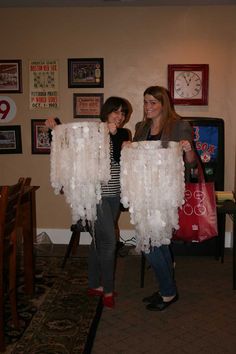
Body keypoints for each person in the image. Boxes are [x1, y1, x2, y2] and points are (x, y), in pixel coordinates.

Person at [45, 96, 132, 309]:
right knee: (109, 242)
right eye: (116, 112)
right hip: (95, 195)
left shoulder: (123, 133)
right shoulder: (92, 130)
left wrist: (122, 143)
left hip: (114, 195)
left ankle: (94, 284)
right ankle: (108, 291)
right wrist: (52, 129)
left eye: (123, 113)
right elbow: (67, 148)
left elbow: (120, 161)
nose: (119, 117)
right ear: (106, 112)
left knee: (98, 240)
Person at [132, 85, 196, 311]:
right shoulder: (141, 127)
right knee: (159, 242)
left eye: (153, 102)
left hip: (165, 193)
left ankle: (168, 291)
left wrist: (188, 149)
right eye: (145, 102)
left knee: (151, 243)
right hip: (144, 191)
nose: (148, 107)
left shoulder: (179, 126)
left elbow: (191, 161)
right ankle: (166, 288)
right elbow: (135, 156)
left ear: (163, 104)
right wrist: (127, 147)